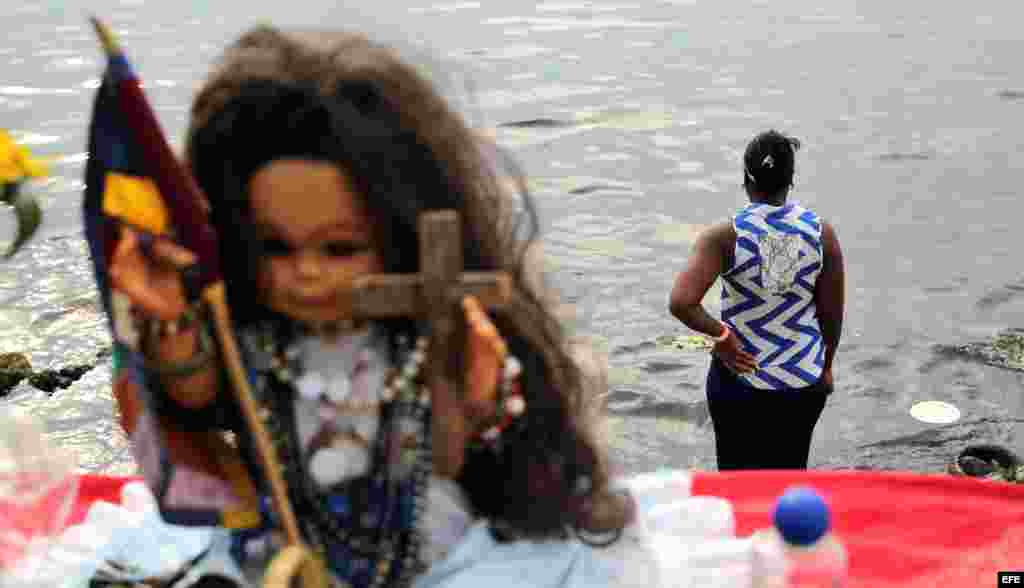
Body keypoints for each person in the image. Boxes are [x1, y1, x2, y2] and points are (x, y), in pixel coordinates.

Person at [100, 26, 638, 587]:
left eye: (340, 248)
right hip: (283, 545)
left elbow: (448, 458)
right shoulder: (250, 344)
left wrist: (469, 389)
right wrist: (170, 320)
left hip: (421, 547)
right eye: (275, 247)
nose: (307, 272)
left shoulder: (412, 343)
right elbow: (193, 395)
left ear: (395, 239)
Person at [668, 130, 845, 470]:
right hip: (802, 384)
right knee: (788, 479)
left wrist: (722, 336)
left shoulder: (724, 237)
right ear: (790, 180)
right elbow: (831, 315)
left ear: (746, 178)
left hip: (742, 381)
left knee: (738, 486)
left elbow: (681, 302)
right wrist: (826, 368)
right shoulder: (821, 234)